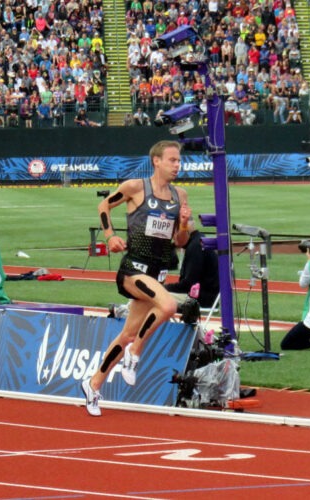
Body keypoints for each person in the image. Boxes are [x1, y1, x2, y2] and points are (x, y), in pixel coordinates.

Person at [82, 140, 192, 416]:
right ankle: (135, 354)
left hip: (159, 272)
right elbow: (103, 206)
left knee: (128, 333)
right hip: (134, 269)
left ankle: (93, 385)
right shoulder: (136, 188)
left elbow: (181, 241)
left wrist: (183, 223)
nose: (177, 165)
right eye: (172, 160)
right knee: (167, 307)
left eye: (179, 161)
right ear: (156, 161)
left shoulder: (180, 195)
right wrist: (110, 236)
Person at [164, 217, 219, 309]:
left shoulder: (195, 247)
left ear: (184, 230)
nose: (173, 237)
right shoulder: (198, 241)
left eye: (175, 232)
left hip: (199, 299)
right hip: (205, 297)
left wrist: (163, 288)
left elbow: (188, 285)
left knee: (149, 296)